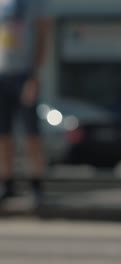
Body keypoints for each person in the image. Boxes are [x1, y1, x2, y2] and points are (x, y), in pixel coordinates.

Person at [0, 0, 49, 205]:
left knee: (32, 134)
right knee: (3, 134)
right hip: (3, 74)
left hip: (24, 75)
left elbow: (43, 35)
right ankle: (7, 183)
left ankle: (37, 185)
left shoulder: (36, 3)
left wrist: (35, 76)